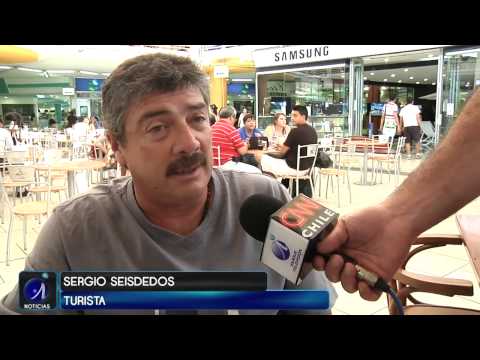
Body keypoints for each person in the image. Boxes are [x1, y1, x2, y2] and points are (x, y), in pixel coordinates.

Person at [0, 52, 336, 315]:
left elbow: (309, 305)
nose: (189, 143)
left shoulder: (269, 202)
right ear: (118, 147)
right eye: (158, 127)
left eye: (197, 119)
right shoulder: (74, 232)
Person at [311, 88, 480, 303]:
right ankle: (414, 152)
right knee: (414, 140)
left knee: (411, 141)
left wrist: (397, 217)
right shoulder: (408, 109)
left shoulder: (399, 110)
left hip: (402, 129)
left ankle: (411, 151)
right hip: (409, 132)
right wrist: (395, 218)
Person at [259, 105, 317, 197]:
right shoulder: (313, 131)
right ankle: (282, 191)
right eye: (292, 115)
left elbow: (282, 152)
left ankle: (270, 194)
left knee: (261, 159)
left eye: (295, 115)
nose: (292, 118)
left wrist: (272, 152)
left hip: (293, 168)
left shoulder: (295, 131)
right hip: (307, 168)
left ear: (303, 116)